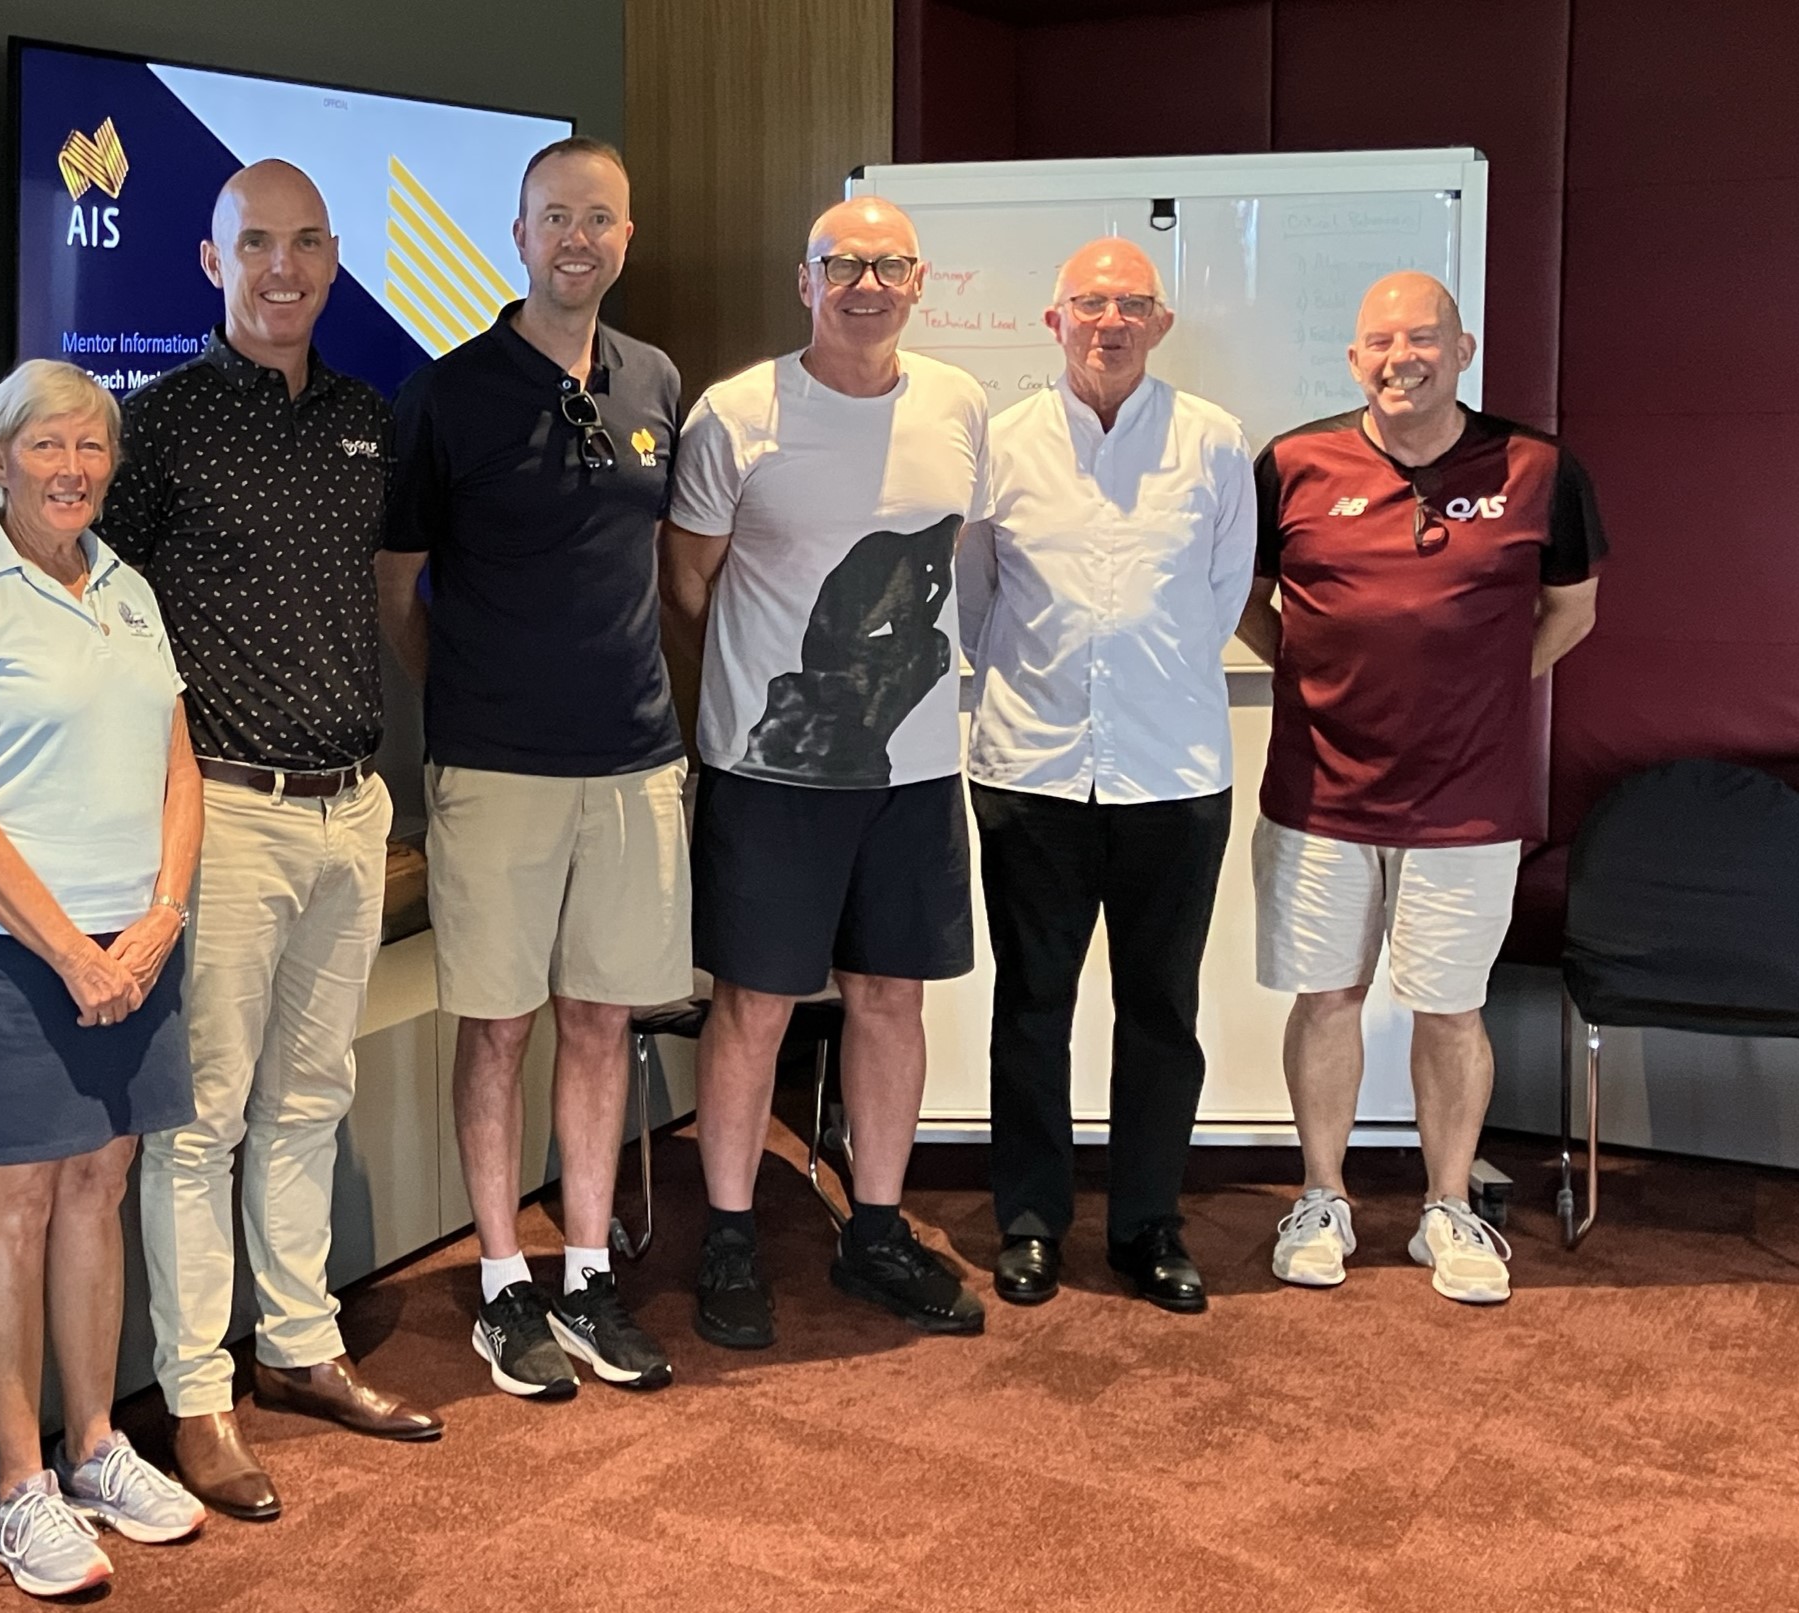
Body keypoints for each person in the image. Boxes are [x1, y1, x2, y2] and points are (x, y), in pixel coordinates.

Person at [101, 160, 439, 1525]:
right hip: (223, 811)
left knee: (310, 1100)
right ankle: (196, 1396)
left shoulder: (366, 419)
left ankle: (298, 1345)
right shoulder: (155, 428)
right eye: (256, 245)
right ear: (209, 261)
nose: (281, 269)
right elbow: (99, 626)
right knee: (201, 1121)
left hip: (352, 806)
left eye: (305, 244)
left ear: (335, 259)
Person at [0, 359, 207, 1597]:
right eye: (47, 447)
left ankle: (95, 1446)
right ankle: (17, 1485)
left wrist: (160, 918)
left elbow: (180, 768)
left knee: (100, 1180)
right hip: (0, 954)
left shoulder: (126, 583)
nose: (72, 468)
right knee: (14, 1204)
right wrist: (72, 950)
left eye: (91, 447)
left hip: (131, 947)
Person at [378, 136, 689, 1399]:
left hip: (632, 759)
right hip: (496, 766)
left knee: (602, 1016)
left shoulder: (656, 379)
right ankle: (503, 1278)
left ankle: (585, 1272)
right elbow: (399, 592)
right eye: (554, 217)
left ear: (626, 238)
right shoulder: (446, 395)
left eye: (599, 220)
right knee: (499, 1025)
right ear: (517, 235)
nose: (577, 239)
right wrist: (469, 699)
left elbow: (664, 563)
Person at [663, 196, 992, 1349]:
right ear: (804, 281)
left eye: (887, 264)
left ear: (918, 281)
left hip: (909, 772)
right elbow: (690, 583)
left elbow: (962, 563)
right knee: (752, 1005)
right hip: (770, 773)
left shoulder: (957, 405)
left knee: (890, 997)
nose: (865, 282)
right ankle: (732, 1234)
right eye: (840, 263)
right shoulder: (735, 415)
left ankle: (880, 1231)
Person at [1238, 270, 1604, 1305]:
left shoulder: (1538, 468)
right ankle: (1320, 1196)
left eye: (1423, 338)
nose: (1402, 356)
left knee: (1449, 1007)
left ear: (1463, 346)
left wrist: (1477, 694)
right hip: (1319, 792)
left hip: (1467, 801)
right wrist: (1316, 683)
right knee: (1327, 997)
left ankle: (1447, 1205)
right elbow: (1250, 600)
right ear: (1353, 359)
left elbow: (1569, 611)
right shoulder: (1293, 464)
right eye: (1380, 341)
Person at [959, 237, 1256, 1313]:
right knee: (1031, 1005)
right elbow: (977, 595)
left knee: (1159, 1009)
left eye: (1132, 304)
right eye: (1089, 302)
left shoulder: (1215, 443)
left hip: (1172, 773)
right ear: (1053, 321)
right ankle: (1030, 1221)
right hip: (1031, 767)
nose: (1109, 321)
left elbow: (1221, 599)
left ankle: (1146, 1225)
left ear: (1161, 324)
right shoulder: (998, 442)